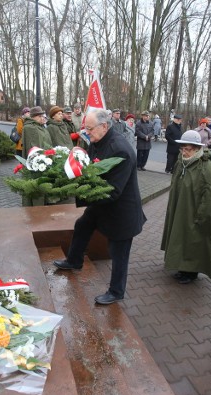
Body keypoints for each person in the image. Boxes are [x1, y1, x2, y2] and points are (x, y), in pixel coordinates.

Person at [53, 109, 146, 305]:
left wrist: (81, 193)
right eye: (85, 128)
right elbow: (89, 169)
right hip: (101, 203)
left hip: (121, 211)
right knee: (82, 225)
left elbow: (113, 191)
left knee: (118, 253)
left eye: (90, 129)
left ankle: (116, 291)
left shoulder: (121, 150)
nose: (87, 133)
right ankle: (74, 261)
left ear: (104, 126)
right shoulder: (96, 140)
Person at [161, 130, 211, 285]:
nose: (184, 152)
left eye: (188, 149)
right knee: (181, 237)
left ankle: (191, 272)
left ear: (197, 149)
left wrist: (202, 216)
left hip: (194, 212)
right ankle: (182, 267)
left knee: (193, 240)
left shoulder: (207, 168)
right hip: (181, 208)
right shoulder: (181, 162)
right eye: (182, 149)